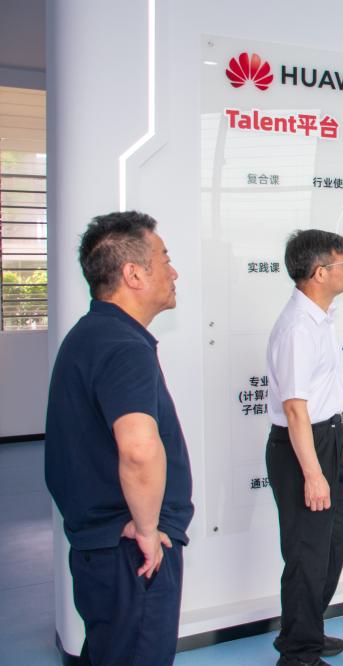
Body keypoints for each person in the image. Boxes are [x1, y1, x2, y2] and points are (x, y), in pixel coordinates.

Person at [45, 211, 194, 665]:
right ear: (133, 274)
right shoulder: (123, 347)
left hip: (102, 550)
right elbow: (139, 449)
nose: (173, 272)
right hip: (131, 554)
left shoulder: (90, 335)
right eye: (164, 259)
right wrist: (147, 530)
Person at [266, 229, 343, 666]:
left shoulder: (321, 319)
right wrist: (313, 473)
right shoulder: (298, 328)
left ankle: (306, 631)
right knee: (307, 554)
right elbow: (295, 409)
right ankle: (298, 655)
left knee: (334, 542)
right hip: (303, 446)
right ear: (320, 272)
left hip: (328, 438)